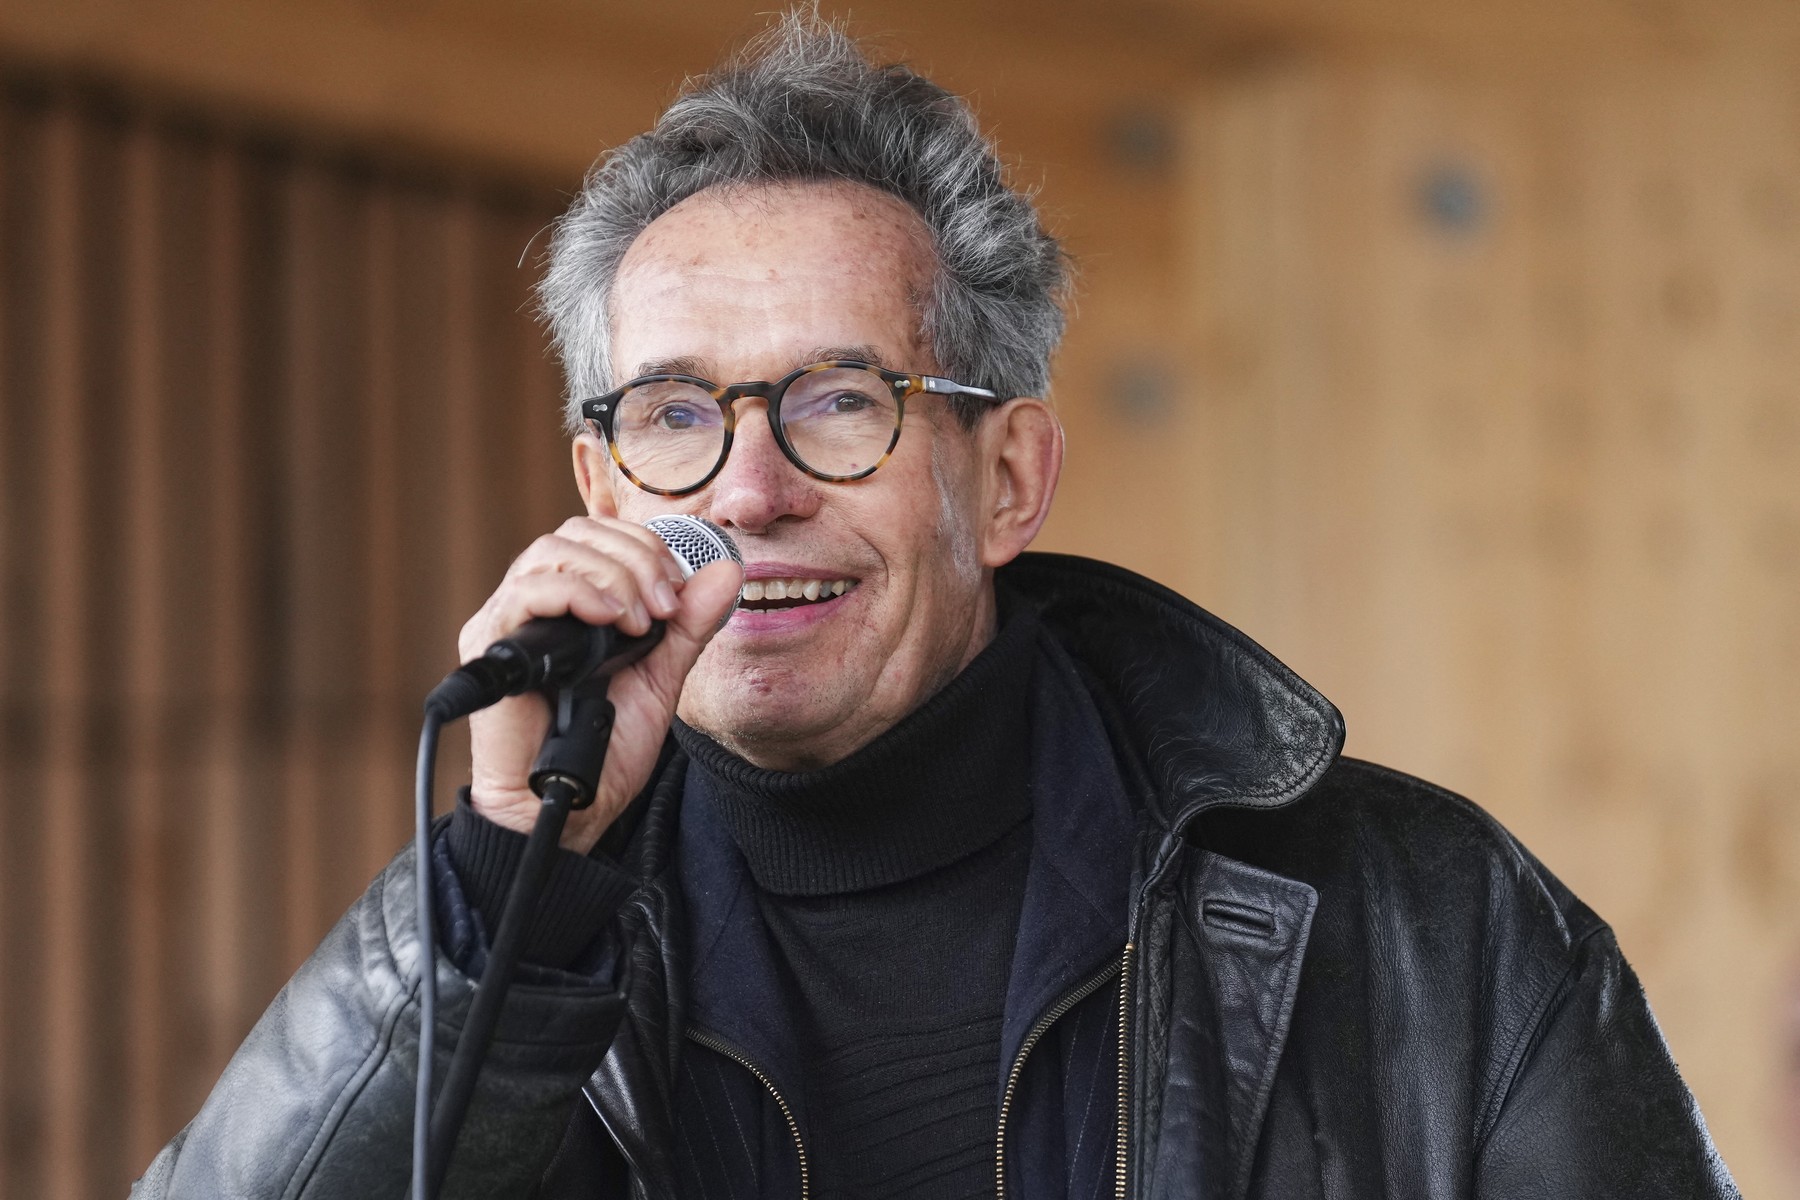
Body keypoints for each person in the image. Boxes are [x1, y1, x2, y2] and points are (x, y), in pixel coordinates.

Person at [134, 13, 1740, 1199]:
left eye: (838, 402)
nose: (750, 491)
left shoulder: (1429, 924)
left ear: (1008, 476)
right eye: (678, 417)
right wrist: (504, 896)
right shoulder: (516, 924)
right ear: (609, 490)